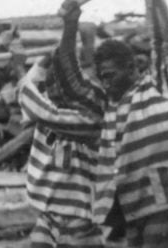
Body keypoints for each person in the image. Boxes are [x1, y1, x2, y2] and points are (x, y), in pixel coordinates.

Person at [55, 0, 168, 248]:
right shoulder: (106, 104)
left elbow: (162, 38)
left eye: (111, 75)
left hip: (167, 199)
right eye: (103, 77)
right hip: (130, 207)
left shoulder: (158, 84)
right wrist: (70, 26)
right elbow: (72, 83)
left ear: (132, 68)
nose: (106, 82)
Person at [17, 39, 106, 245]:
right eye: (50, 88)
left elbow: (31, 97)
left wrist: (17, 66)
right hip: (48, 215)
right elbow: (31, 89)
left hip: (80, 218)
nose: (53, 92)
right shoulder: (46, 108)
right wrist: (46, 57)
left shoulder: (86, 119)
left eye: (58, 88)